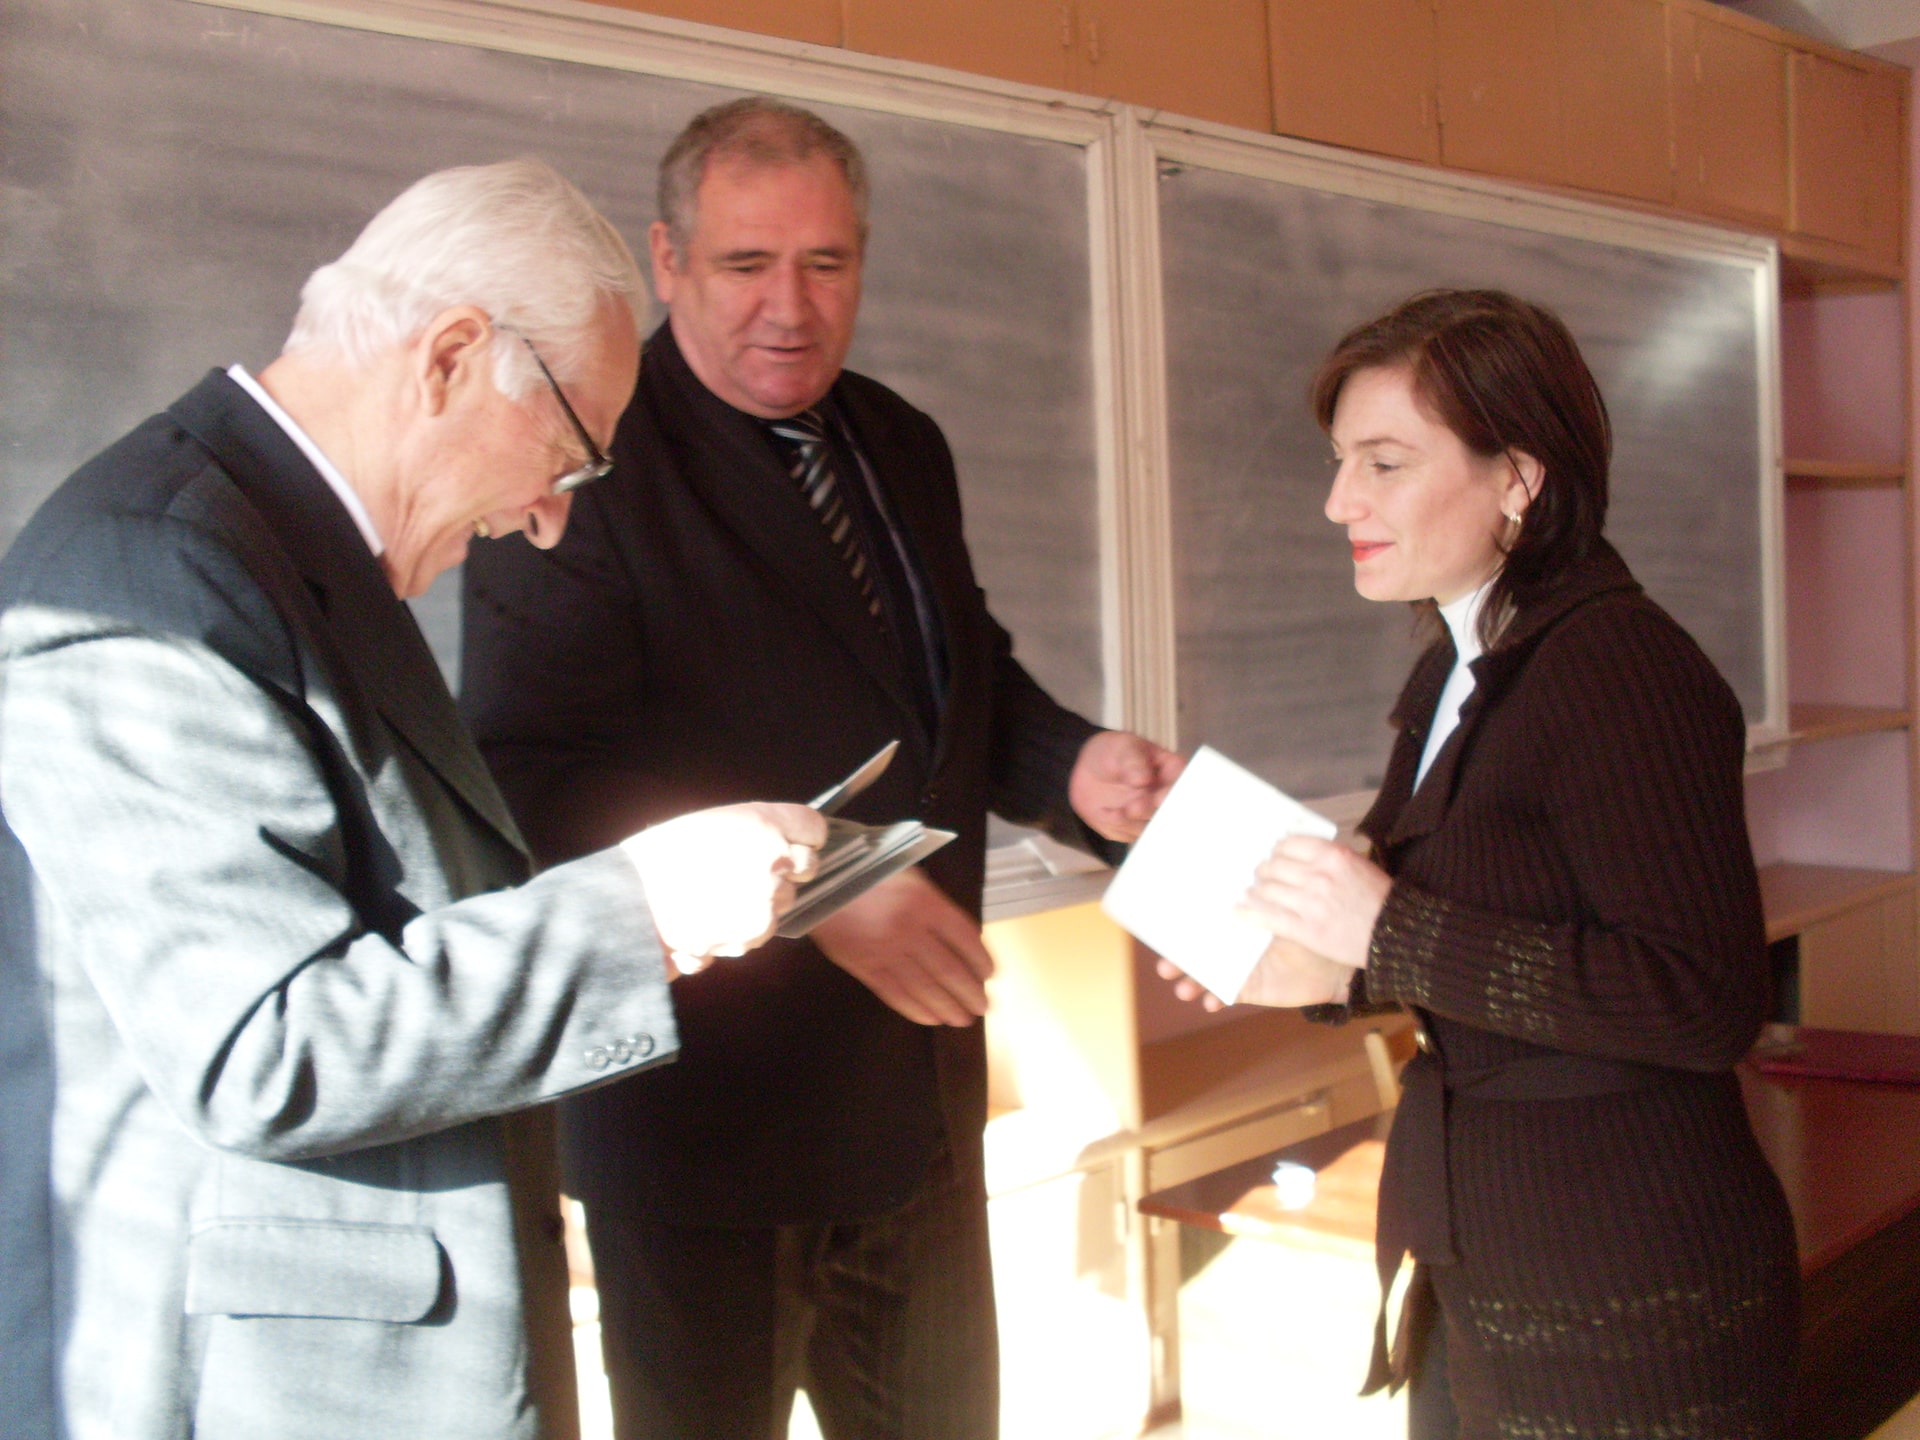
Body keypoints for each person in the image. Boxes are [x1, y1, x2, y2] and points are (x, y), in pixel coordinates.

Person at [0, 157, 829, 1440]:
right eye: (570, 454)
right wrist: (643, 910)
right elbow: (264, 1049)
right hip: (258, 1389)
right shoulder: (147, 569)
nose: (549, 521)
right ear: (449, 357)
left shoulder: (286, 547)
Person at [460, 97, 1184, 1440]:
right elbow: (532, 780)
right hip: (700, 1126)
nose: (789, 308)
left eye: (826, 264)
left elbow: (955, 679)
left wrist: (1074, 767)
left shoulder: (899, 440)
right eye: (746, 264)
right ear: (667, 260)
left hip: (914, 1106)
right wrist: (819, 887)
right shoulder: (581, 452)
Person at [1171, 289, 1799, 1437]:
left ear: (1517, 478)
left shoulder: (1623, 669)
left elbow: (1704, 999)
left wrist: (1383, 935)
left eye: (1383, 463)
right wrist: (1319, 968)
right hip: (1484, 1254)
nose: (1339, 501)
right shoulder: (1458, 659)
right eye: (1340, 462)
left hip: (1624, 1291)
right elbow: (1470, 926)